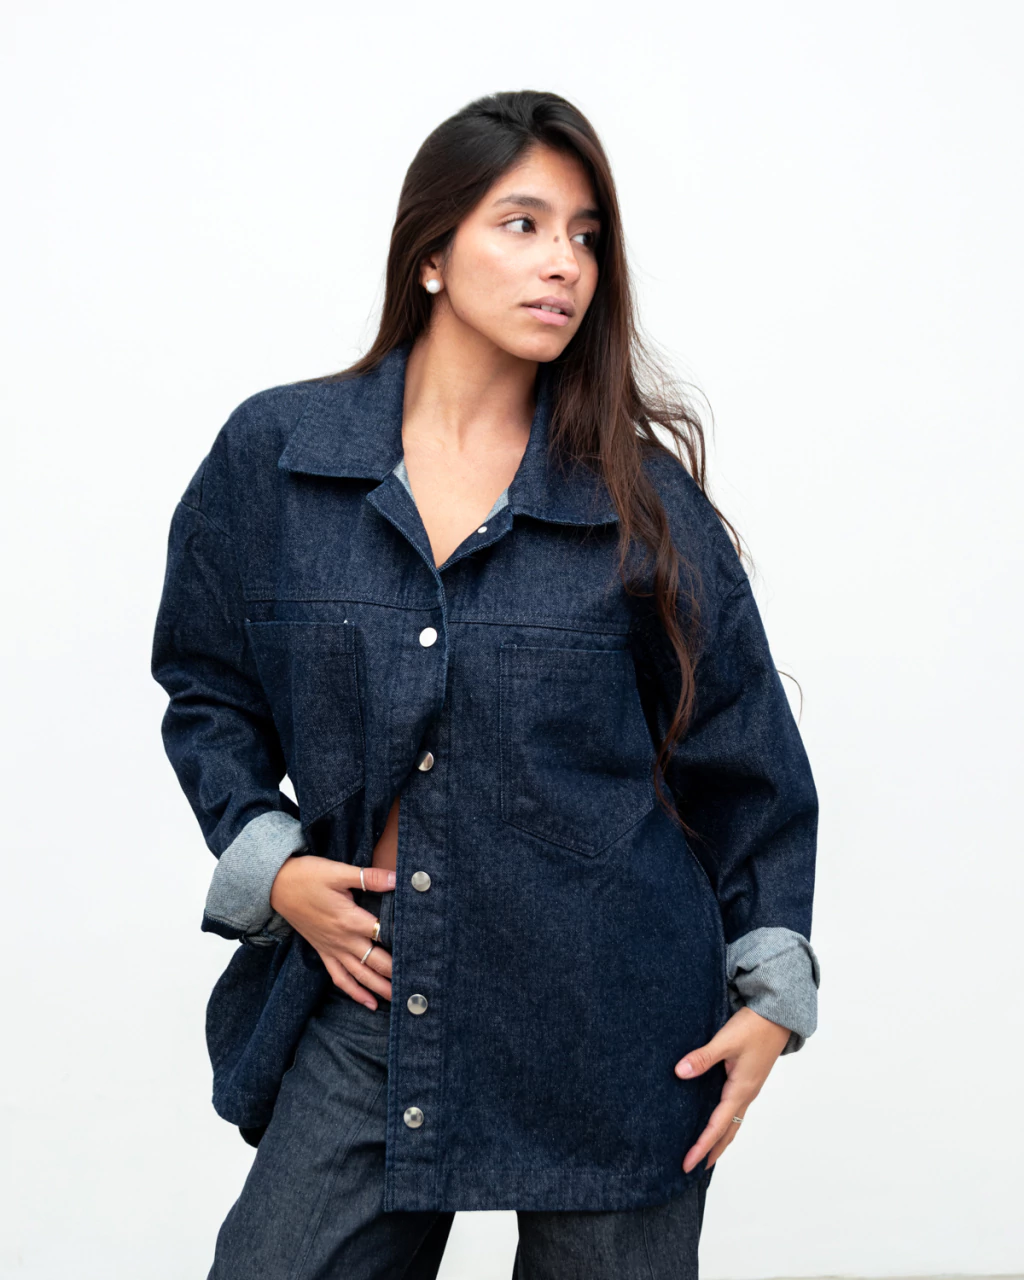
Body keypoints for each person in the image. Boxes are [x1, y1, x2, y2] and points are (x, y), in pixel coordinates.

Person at [151, 89, 820, 1280]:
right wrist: (274, 864)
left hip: (615, 1025)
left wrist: (771, 994)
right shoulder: (280, 456)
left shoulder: (640, 499)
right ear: (431, 252)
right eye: (523, 224)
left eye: (584, 236)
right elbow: (208, 685)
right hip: (379, 998)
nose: (563, 263)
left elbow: (743, 755)